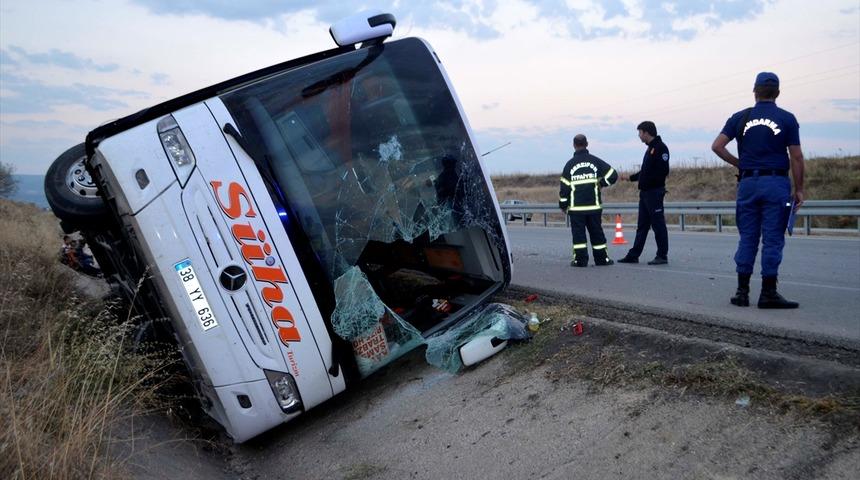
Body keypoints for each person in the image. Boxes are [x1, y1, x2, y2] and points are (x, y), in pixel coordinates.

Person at [711, 72, 804, 309]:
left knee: (748, 237)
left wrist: (740, 164)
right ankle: (768, 293)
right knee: (772, 238)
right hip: (775, 184)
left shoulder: (740, 117)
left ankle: (742, 292)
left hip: (748, 184)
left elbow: (717, 146)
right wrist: (799, 189)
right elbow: (796, 157)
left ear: (755, 91)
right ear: (778, 93)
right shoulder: (787, 119)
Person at [558, 134, 618, 267]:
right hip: (593, 207)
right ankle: (602, 259)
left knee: (579, 236)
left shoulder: (569, 165)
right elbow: (613, 175)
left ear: (574, 145)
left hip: (576, 209)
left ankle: (580, 260)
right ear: (587, 144)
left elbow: (564, 188)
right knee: (597, 234)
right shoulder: (595, 161)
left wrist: (563, 204)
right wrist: (602, 183)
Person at [618, 121, 670, 265]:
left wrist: (650, 184)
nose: (639, 136)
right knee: (642, 226)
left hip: (654, 193)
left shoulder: (660, 148)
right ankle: (634, 255)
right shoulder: (650, 149)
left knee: (658, 225)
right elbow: (645, 172)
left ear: (646, 133)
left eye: (640, 133)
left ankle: (662, 255)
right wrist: (631, 178)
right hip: (646, 193)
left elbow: (663, 171)